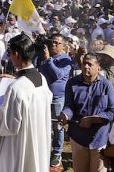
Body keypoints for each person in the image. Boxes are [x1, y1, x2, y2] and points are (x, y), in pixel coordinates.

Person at [0, 33, 52, 172]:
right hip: (38, 140)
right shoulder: (41, 78)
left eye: (10, 53)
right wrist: (14, 78)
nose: (10, 58)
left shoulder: (16, 88)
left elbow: (7, 126)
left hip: (18, 148)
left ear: (16, 54)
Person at [59, 53, 114, 172]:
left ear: (98, 68)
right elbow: (69, 106)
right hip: (78, 137)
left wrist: (93, 119)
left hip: (99, 138)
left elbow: (113, 111)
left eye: (90, 64)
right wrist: (65, 114)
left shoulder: (107, 85)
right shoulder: (72, 83)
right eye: (84, 63)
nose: (86, 67)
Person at [39, 33, 73, 167]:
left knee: (58, 127)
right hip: (44, 97)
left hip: (58, 99)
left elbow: (57, 74)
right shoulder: (45, 58)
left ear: (63, 45)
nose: (53, 45)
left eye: (57, 43)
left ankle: (57, 153)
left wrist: (48, 60)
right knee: (45, 126)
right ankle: (46, 150)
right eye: (52, 42)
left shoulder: (66, 60)